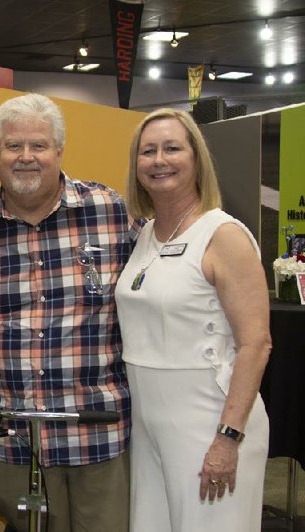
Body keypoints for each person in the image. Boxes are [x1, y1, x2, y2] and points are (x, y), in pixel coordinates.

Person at [0, 93, 139, 532]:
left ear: (59, 150)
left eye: (38, 145)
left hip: (99, 435)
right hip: (14, 439)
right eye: (12, 146)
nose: (26, 157)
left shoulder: (110, 211)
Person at [114, 108, 270, 531]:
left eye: (172, 148)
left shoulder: (223, 235)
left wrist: (228, 437)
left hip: (209, 423)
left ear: (196, 159)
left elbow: (257, 343)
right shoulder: (146, 233)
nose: (159, 160)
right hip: (149, 427)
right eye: (148, 151)